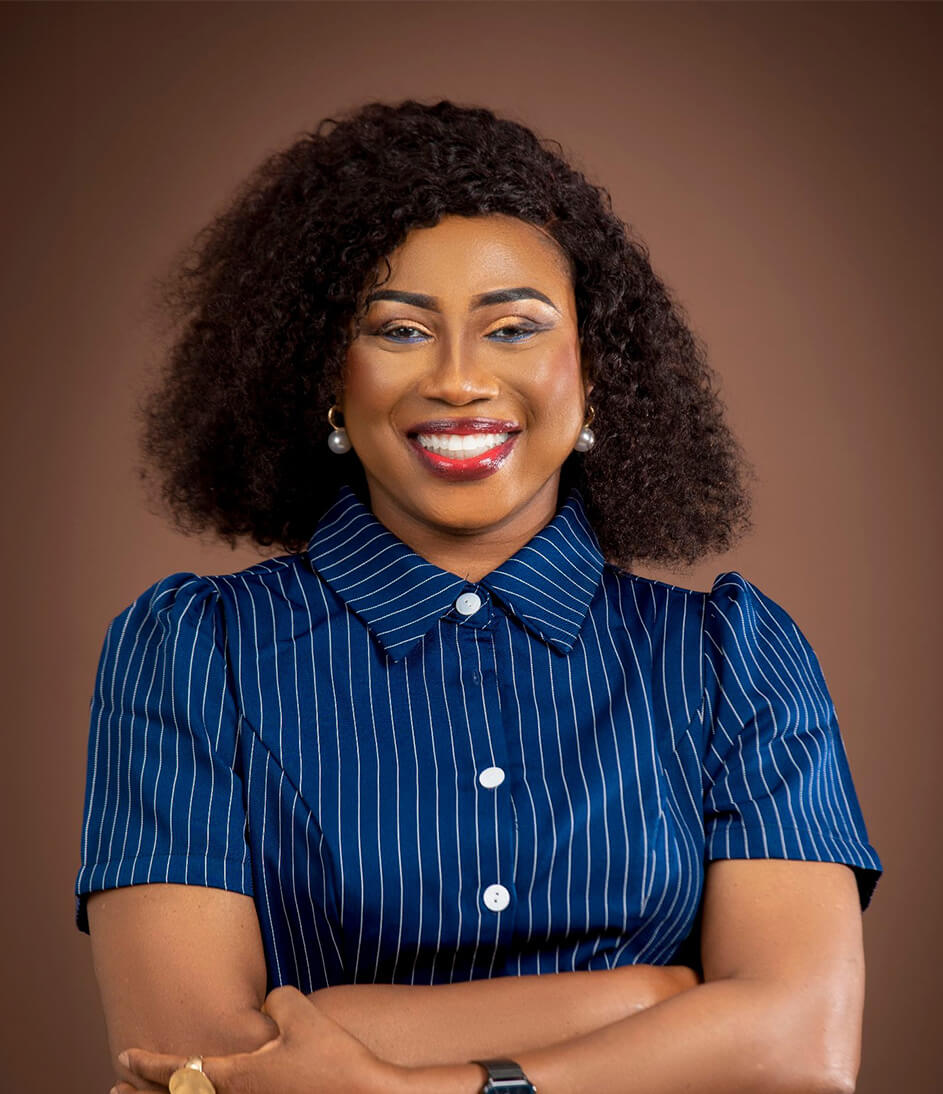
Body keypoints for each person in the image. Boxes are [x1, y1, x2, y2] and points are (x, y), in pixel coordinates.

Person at [75, 99, 882, 1094]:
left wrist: (395, 1079)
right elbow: (196, 1064)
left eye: (513, 327)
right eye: (401, 329)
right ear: (328, 376)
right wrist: (649, 1003)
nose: (458, 380)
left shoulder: (734, 660)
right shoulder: (189, 651)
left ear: (595, 371)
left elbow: (801, 1047)